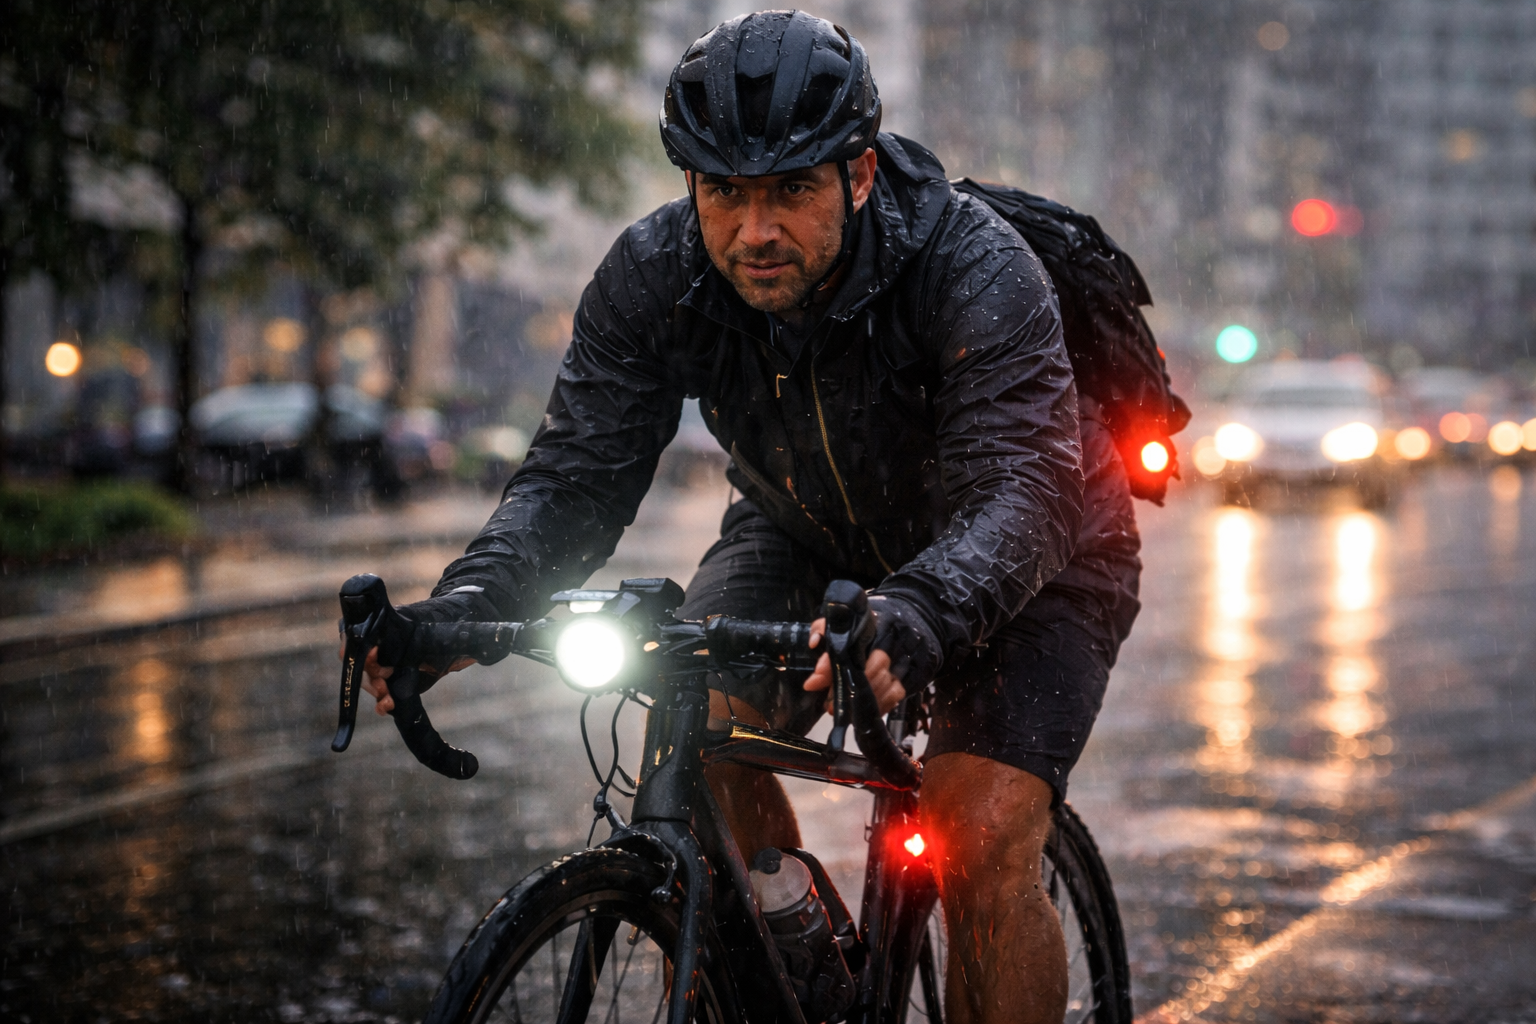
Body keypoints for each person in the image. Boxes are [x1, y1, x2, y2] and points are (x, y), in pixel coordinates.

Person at [356, 12, 1141, 1024]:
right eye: (724, 191)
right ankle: (795, 948)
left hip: (1033, 542)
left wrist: (924, 607)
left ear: (858, 175)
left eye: (791, 191)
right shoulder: (656, 273)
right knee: (697, 727)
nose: (753, 230)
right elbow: (572, 479)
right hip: (802, 526)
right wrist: (469, 605)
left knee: (978, 831)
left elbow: (1022, 490)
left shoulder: (974, 268)